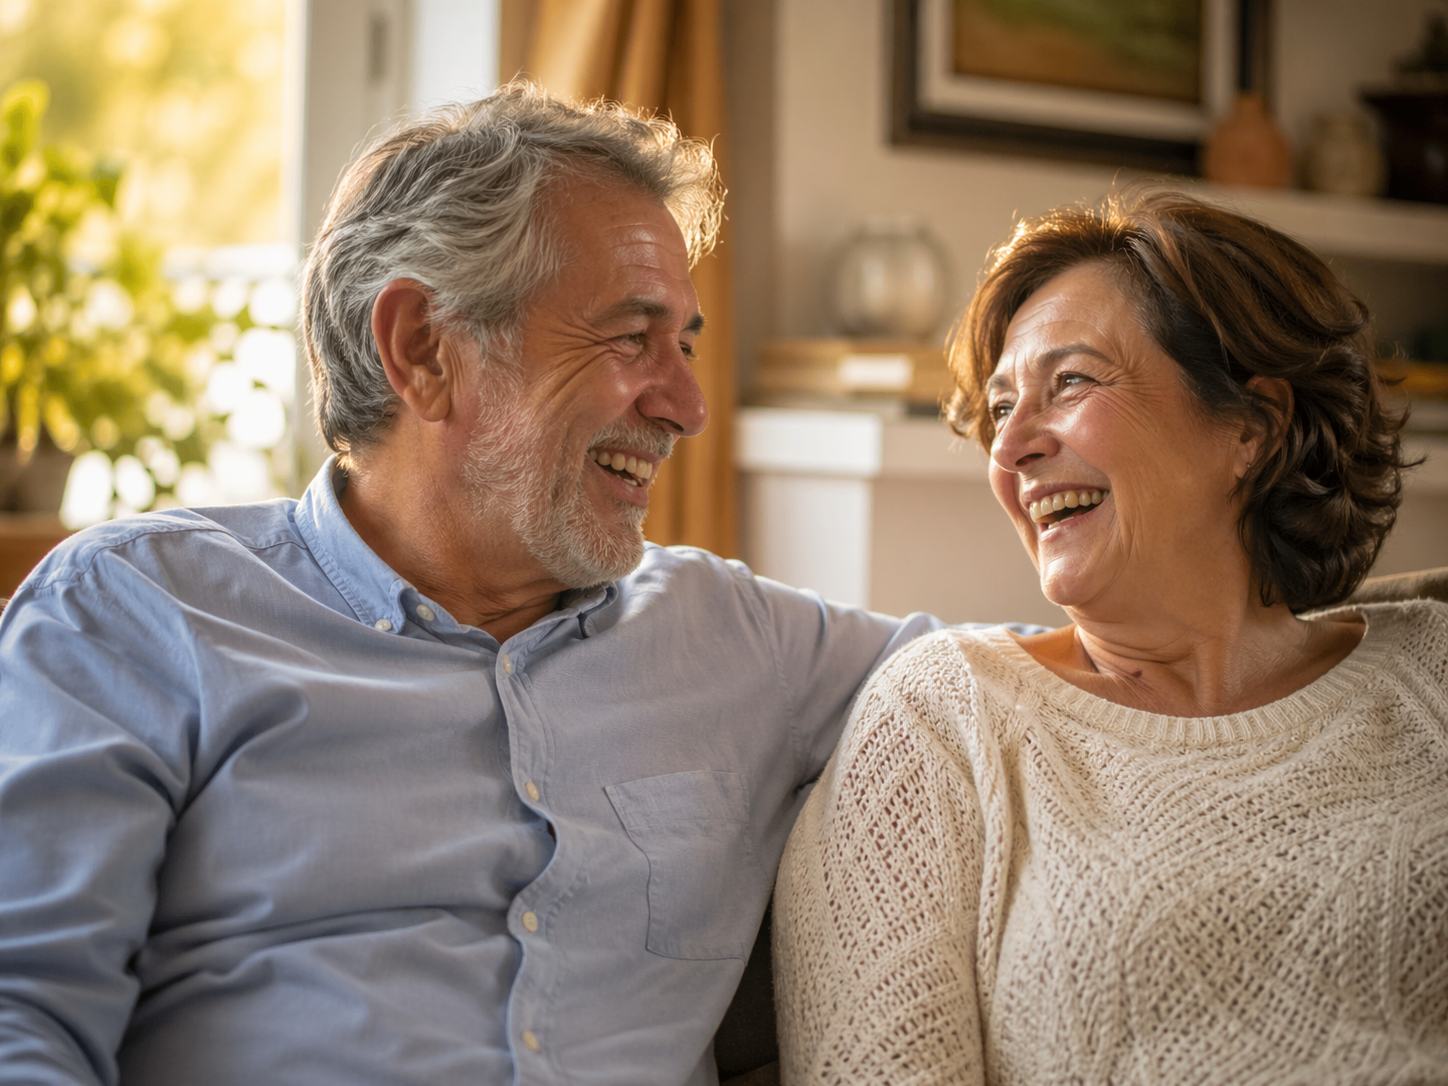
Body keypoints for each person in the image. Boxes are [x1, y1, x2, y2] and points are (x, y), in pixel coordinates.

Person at [0, 85, 1021, 1086]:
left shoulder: (741, 638)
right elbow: (22, 1013)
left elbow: (1036, 686)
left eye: (685, 344)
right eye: (630, 338)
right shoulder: (135, 614)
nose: (687, 406)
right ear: (422, 349)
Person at [773, 191, 1448, 1084]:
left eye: (1072, 383)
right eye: (1001, 407)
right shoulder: (944, 719)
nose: (1010, 449)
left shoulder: (1431, 672)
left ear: (1252, 425)